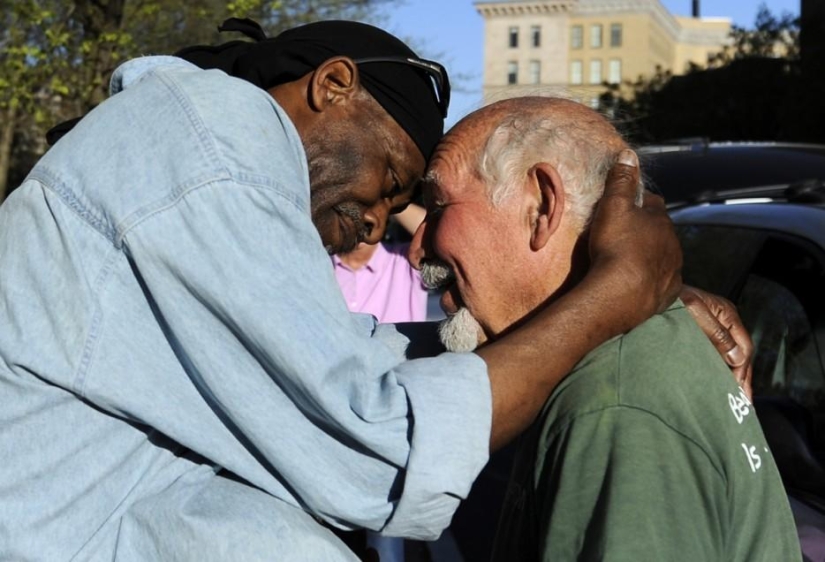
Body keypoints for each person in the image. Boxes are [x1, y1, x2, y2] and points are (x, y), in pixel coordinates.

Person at [0, 17, 747, 561]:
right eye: (390, 179)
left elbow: (354, 368)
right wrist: (613, 293)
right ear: (333, 86)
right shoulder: (212, 153)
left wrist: (602, 296)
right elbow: (380, 442)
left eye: (411, 203)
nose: (374, 226)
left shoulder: (196, 148)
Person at [407, 96, 799, 561]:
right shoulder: (615, 365)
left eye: (438, 208)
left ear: (541, 206)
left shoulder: (612, 401)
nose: (415, 250)